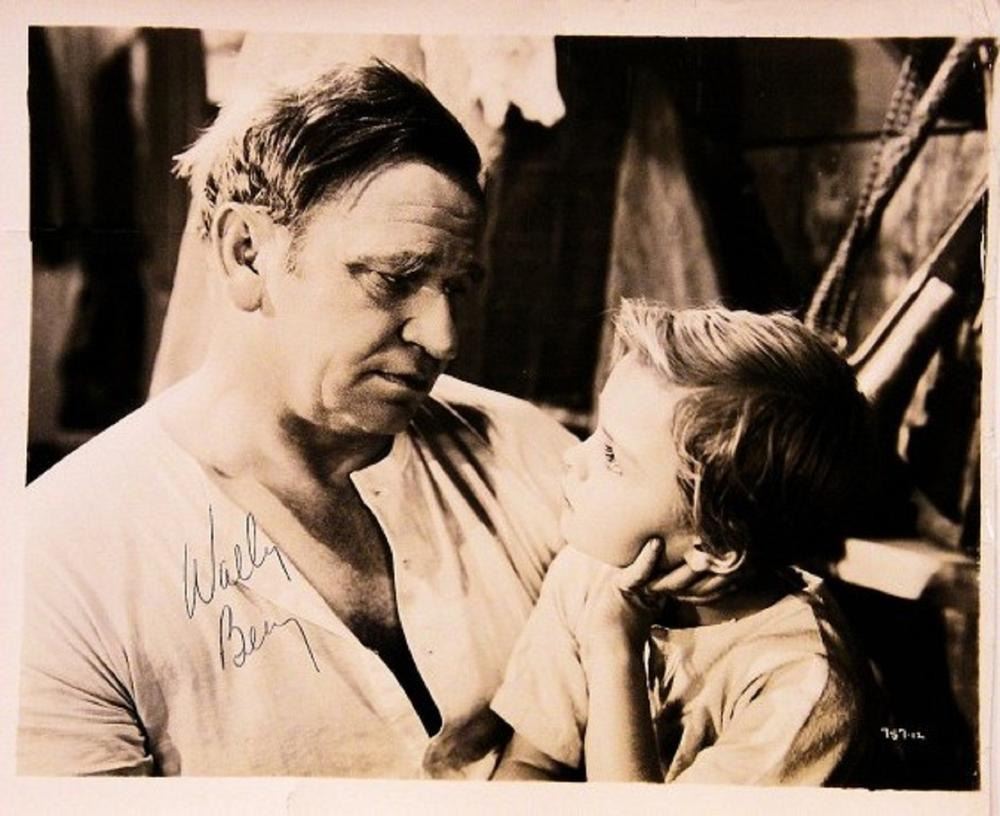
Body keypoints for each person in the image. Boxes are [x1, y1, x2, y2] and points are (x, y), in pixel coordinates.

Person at [17, 62, 577, 777]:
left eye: (456, 287)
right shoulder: (56, 562)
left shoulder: (529, 454)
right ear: (246, 254)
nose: (443, 338)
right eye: (395, 277)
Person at [492, 300, 882, 785]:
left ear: (714, 547)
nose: (575, 459)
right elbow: (530, 764)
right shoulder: (590, 570)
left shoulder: (804, 683)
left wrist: (614, 647)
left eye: (612, 456)